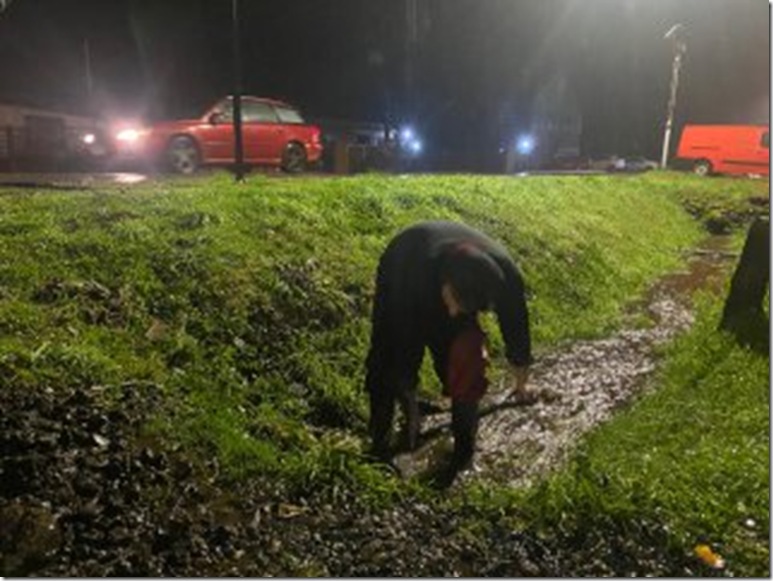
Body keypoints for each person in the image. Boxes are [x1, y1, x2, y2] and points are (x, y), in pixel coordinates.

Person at [365, 220, 533, 473]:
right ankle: (380, 442)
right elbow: (398, 340)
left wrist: (521, 385)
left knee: (467, 357)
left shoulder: (506, 281)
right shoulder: (410, 276)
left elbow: (517, 332)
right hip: (407, 261)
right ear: (446, 284)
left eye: (465, 309)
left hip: (458, 277)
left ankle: (464, 450)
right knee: (390, 362)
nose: (453, 313)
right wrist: (407, 393)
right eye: (454, 303)